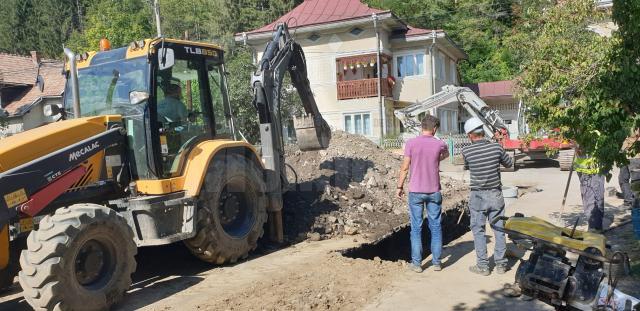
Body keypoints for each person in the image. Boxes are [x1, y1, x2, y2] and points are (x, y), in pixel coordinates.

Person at [396, 115, 449, 273]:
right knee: (436, 226)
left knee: (416, 228)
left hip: (416, 192)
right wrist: (436, 157)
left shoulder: (411, 143)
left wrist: (399, 186)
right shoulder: (440, 144)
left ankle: (417, 264)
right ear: (435, 129)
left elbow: (405, 167)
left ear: (421, 127)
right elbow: (445, 155)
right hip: (433, 191)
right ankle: (437, 263)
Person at [461, 117, 513, 276]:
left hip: (477, 196)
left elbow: (468, 166)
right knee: (499, 229)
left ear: (470, 135)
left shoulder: (466, 151)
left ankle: (483, 266)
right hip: (495, 194)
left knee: (478, 230)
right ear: (483, 131)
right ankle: (501, 265)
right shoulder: (496, 148)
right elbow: (509, 164)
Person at [574, 146, 605, 232]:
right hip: (582, 167)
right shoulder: (577, 133)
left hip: (593, 169)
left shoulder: (593, 133)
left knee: (593, 197)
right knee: (586, 198)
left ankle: (594, 227)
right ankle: (595, 225)